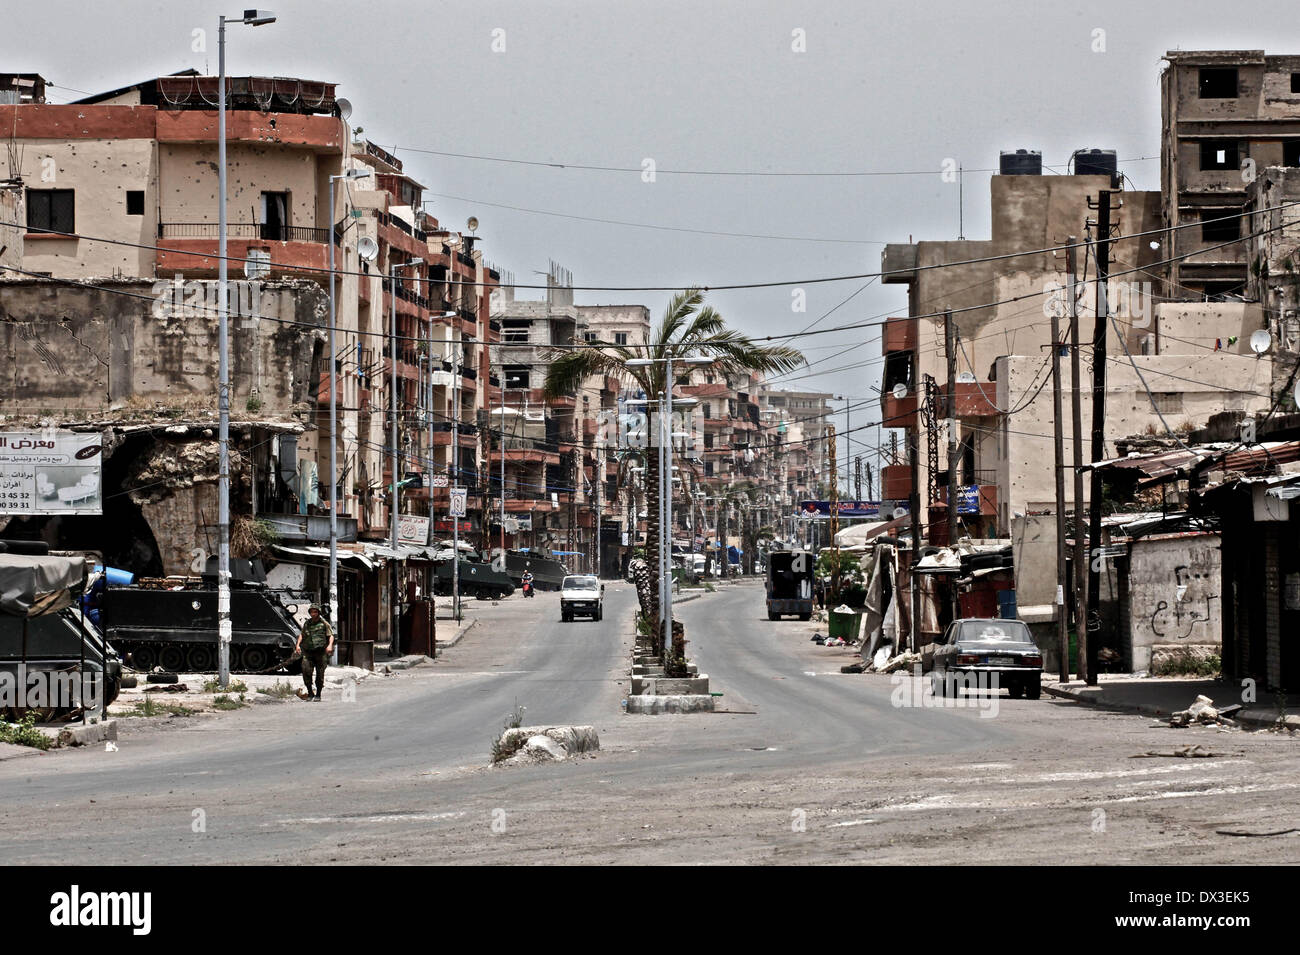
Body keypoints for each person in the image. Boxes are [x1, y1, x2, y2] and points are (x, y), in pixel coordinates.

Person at [295, 605, 334, 701]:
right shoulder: (307, 623)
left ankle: (318, 694)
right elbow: (302, 634)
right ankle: (310, 693)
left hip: (320, 653)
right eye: (312, 612)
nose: (313, 614)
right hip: (308, 652)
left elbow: (331, 635)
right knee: (306, 671)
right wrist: (298, 645)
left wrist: (330, 646)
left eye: (315, 612)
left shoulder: (324, 623)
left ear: (318, 612)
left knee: (320, 674)